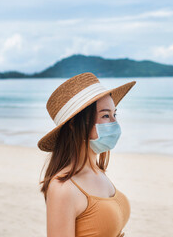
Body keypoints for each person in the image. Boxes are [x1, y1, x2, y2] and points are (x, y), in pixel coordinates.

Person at [37, 72, 136, 237]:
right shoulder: (64, 188)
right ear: (75, 125)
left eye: (114, 114)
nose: (114, 123)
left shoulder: (97, 170)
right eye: (105, 115)